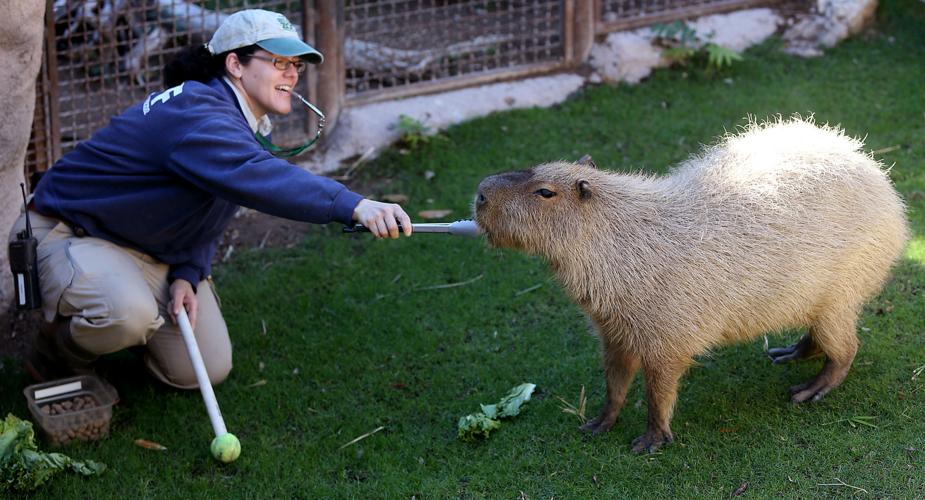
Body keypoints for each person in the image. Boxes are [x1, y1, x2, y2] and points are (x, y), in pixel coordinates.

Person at [9, 9, 412, 388]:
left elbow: (212, 207)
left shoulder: (243, 121)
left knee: (202, 370)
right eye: (278, 62)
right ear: (235, 65)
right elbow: (257, 177)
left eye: (296, 65)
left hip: (147, 247)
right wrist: (355, 204)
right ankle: (58, 352)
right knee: (126, 313)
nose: (292, 74)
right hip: (71, 233)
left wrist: (189, 269)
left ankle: (121, 319)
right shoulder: (197, 112)